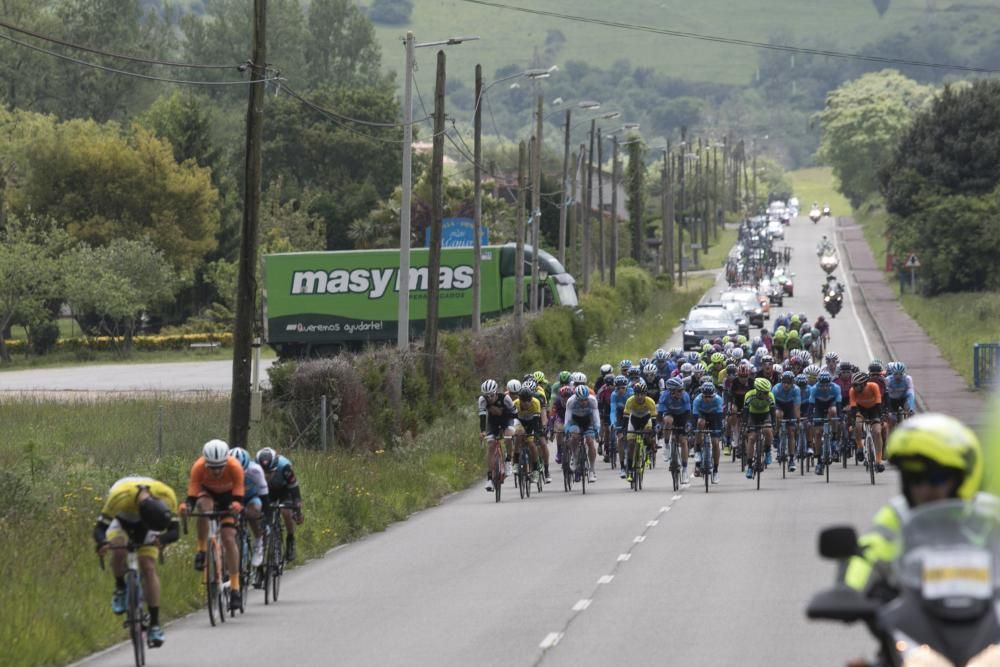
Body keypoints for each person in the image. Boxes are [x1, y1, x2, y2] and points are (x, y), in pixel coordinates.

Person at [844, 414, 983, 594]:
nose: (924, 490)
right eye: (915, 479)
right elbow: (870, 551)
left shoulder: (987, 518)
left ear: (962, 478)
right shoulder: (897, 516)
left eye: (936, 479)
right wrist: (849, 589)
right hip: (912, 617)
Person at [93, 477, 178, 647]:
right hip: (121, 520)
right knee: (119, 549)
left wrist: (162, 539)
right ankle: (120, 588)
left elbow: (175, 531)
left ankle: (154, 623)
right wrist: (102, 543)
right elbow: (100, 528)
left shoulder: (167, 495)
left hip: (149, 527)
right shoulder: (120, 495)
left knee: (148, 566)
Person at [181, 439, 245, 611]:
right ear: (205, 462)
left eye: (220, 467)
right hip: (208, 494)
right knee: (203, 507)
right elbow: (193, 492)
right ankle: (201, 549)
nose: (216, 471)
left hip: (228, 498)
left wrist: (237, 505)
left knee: (229, 539)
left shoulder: (234, 466)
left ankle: (235, 588)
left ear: (226, 461)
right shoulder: (198, 467)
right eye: (212, 467)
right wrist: (187, 506)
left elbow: (239, 492)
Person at [255, 447, 304, 562]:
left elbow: (294, 487)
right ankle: (263, 545)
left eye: (270, 472)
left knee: (286, 512)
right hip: (266, 491)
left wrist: (297, 510)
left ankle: (290, 540)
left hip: (284, 490)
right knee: (261, 515)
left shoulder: (285, 466)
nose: (266, 476)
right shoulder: (253, 468)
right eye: (264, 473)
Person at [229, 447, 269, 567]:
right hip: (234, 498)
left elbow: (264, 496)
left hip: (251, 497)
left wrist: (265, 520)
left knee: (254, 512)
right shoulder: (224, 469)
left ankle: (258, 542)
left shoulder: (255, 470)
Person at [622, 380, 658, 483]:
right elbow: (625, 417)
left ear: (645, 394)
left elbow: (654, 419)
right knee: (631, 445)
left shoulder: (650, 401)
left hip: (646, 419)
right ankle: (629, 470)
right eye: (637, 394)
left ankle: (648, 449)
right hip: (634, 420)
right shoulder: (630, 400)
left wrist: (653, 431)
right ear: (634, 394)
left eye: (642, 394)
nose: (639, 396)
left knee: (648, 431)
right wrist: (624, 429)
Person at [849, 371, 885, 472]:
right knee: (857, 425)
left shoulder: (873, 386)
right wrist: (853, 422)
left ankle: (878, 461)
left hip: (874, 409)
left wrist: (880, 419)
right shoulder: (852, 391)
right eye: (853, 385)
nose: (854, 388)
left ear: (864, 384)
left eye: (856, 385)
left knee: (877, 432)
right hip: (861, 410)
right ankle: (860, 446)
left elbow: (878, 403)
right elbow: (853, 408)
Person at [659, 376, 692, 483]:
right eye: (679, 390)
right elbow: (660, 414)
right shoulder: (664, 397)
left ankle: (685, 470)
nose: (682, 392)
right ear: (672, 391)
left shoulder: (685, 396)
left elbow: (688, 414)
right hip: (670, 414)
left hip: (682, 416)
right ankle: (667, 445)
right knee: (668, 421)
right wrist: (659, 425)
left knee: (683, 441)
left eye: (682, 389)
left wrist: (688, 424)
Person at [565, 385, 601, 483]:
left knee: (590, 441)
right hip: (575, 421)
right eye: (581, 400)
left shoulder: (592, 400)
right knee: (574, 437)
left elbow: (596, 417)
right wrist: (567, 429)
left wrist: (597, 429)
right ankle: (574, 457)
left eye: (585, 400)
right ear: (576, 398)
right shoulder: (571, 401)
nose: (583, 402)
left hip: (588, 420)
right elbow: (567, 419)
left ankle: (592, 470)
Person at [692, 381, 725, 484]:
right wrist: (695, 431)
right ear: (702, 394)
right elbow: (694, 417)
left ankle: (715, 470)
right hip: (702, 416)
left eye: (710, 397)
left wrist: (720, 430)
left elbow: (720, 417)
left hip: (715, 417)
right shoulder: (697, 400)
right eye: (705, 396)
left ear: (713, 395)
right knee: (700, 423)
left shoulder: (718, 400)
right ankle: (697, 450)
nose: (707, 399)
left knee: (715, 443)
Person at [771, 371, 801, 472]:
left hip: (790, 407)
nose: (786, 384)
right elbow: (772, 406)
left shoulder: (796, 390)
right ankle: (776, 435)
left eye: (788, 383)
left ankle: (791, 459)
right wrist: (773, 422)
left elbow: (797, 407)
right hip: (779, 405)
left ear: (792, 383)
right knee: (778, 415)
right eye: (784, 382)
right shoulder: (775, 389)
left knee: (791, 432)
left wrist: (797, 420)